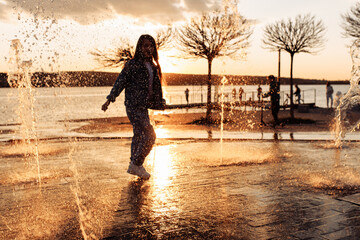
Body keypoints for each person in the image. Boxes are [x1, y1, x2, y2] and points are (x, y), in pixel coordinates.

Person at [101, 34, 165, 179]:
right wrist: (110, 99)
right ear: (139, 48)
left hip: (143, 107)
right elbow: (120, 82)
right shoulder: (132, 65)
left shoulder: (153, 67)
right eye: (145, 46)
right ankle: (136, 163)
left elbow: (155, 89)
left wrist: (160, 102)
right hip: (133, 106)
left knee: (138, 135)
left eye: (151, 46)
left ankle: (134, 165)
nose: (148, 48)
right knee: (150, 136)